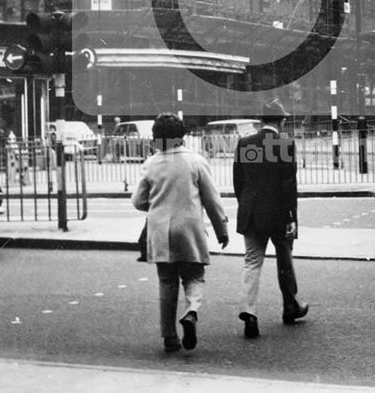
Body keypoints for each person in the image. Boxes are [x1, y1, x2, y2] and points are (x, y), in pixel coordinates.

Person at [131, 113, 229, 352]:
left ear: (157, 138)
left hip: (160, 231)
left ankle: (169, 337)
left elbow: (137, 201)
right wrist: (221, 230)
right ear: (182, 136)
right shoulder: (196, 161)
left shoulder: (150, 164)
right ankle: (191, 311)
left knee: (166, 282)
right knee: (194, 276)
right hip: (190, 230)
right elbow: (212, 201)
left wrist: (157, 206)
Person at [233, 98, 308, 339]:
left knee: (252, 261)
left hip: (252, 211)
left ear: (262, 121)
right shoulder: (285, 144)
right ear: (282, 120)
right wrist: (290, 216)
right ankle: (290, 306)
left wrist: (246, 206)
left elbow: (238, 182)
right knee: (284, 258)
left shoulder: (245, 143)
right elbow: (289, 185)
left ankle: (249, 312)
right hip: (278, 213)